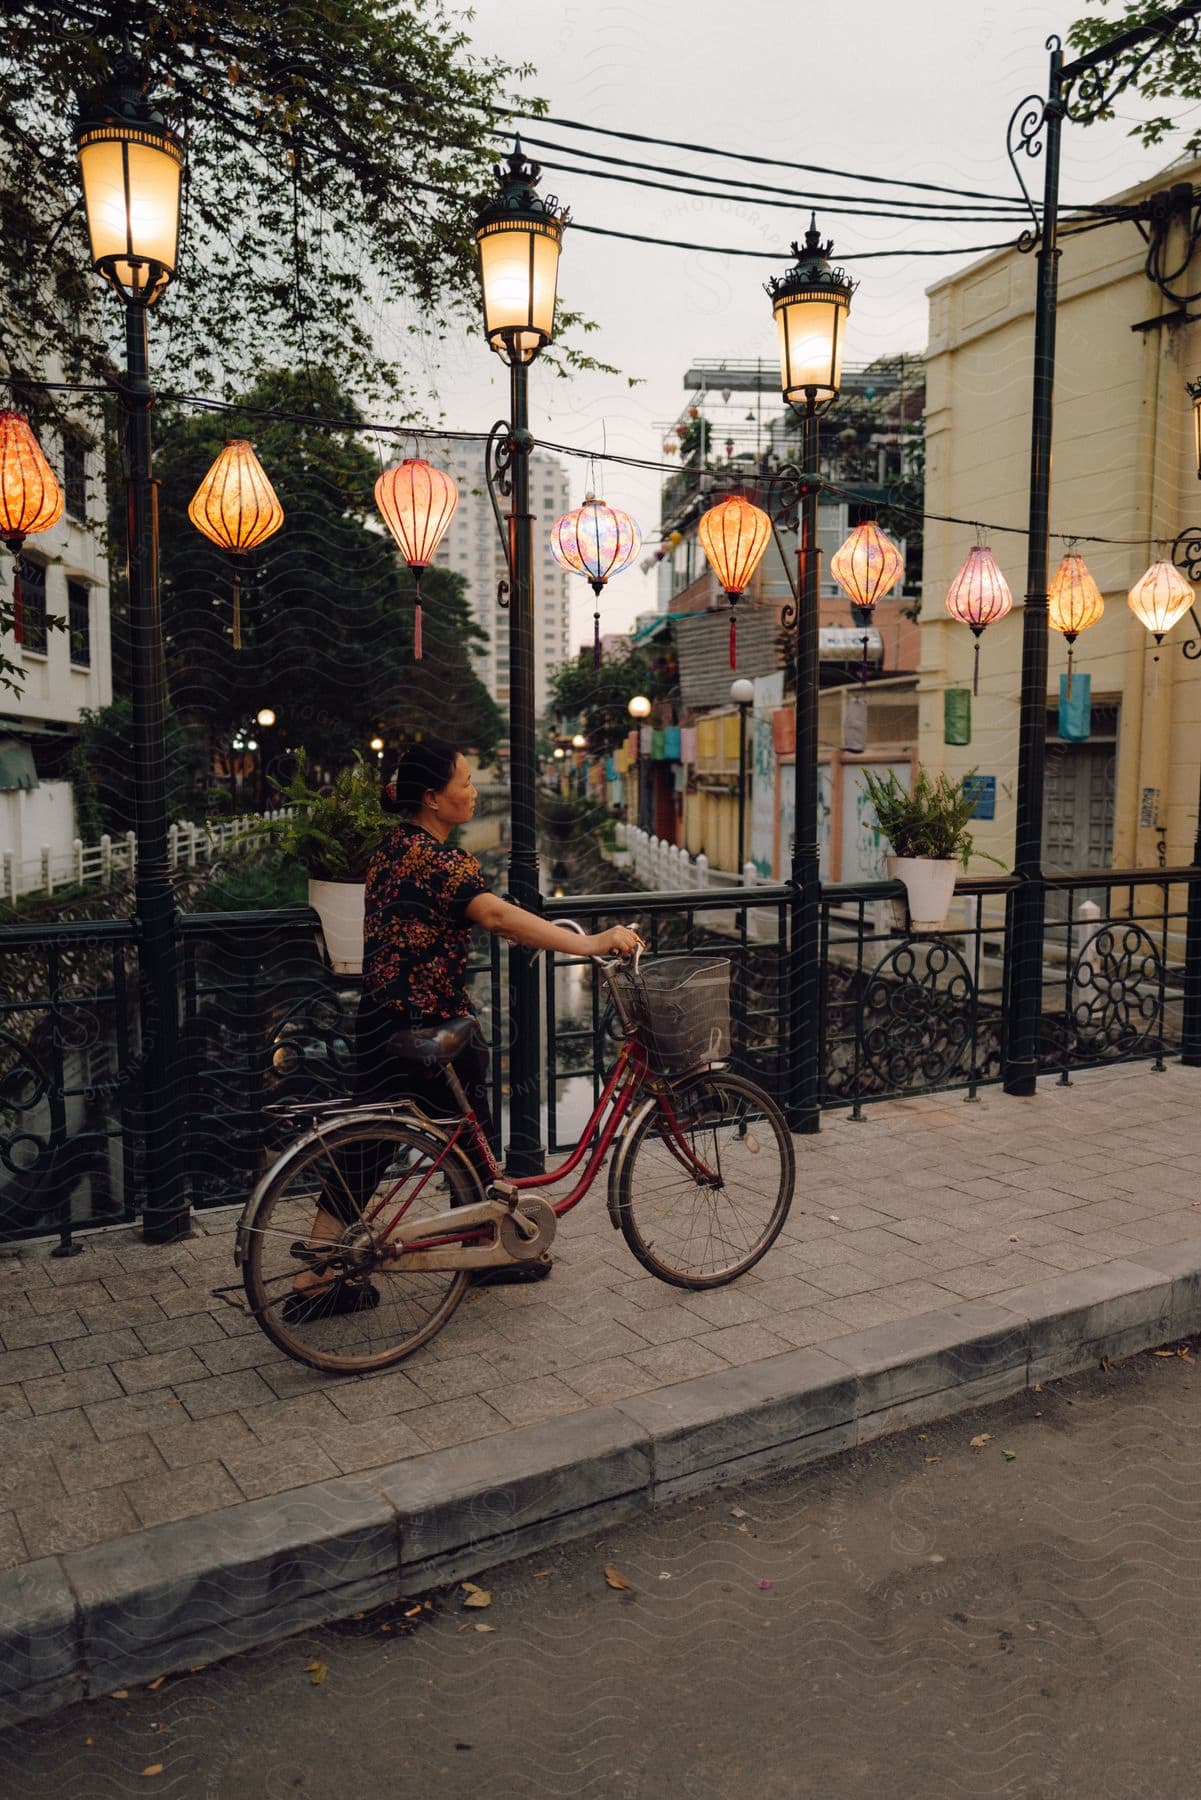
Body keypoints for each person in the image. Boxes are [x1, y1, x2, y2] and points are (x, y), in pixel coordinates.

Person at [285, 738, 640, 1319]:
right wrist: (590, 942)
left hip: (378, 1019)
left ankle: (315, 1276)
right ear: (432, 797)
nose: (473, 792)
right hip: (433, 1027)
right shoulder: (444, 862)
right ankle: (482, 1250)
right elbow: (498, 914)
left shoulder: (391, 849)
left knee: (367, 1147)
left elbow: (459, 915)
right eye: (465, 783)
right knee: (471, 1137)